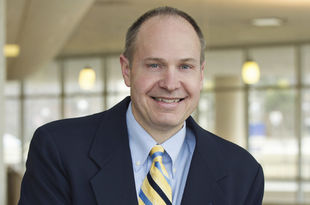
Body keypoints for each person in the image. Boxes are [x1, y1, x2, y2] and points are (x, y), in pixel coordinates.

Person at [18, 6, 264, 205]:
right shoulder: (59, 150)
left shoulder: (242, 173)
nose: (170, 84)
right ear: (127, 70)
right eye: (154, 65)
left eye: (185, 66)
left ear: (200, 75)